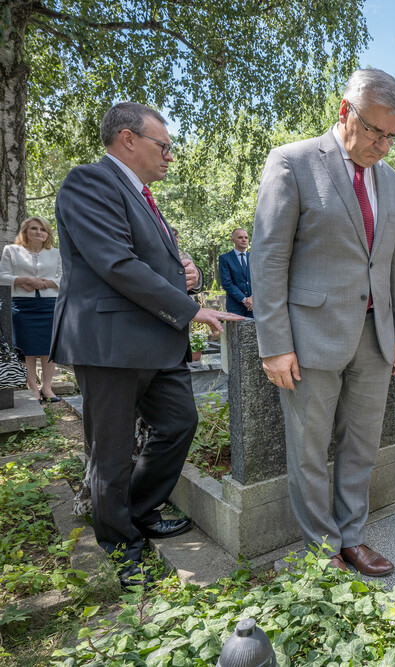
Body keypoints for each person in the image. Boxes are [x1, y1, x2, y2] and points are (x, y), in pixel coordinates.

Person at [51, 102, 240, 587]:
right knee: (110, 454)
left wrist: (187, 273)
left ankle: (137, 509)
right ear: (128, 139)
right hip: (111, 343)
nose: (171, 156)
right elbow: (116, 263)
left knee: (179, 423)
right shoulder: (90, 182)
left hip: (157, 341)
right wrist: (190, 306)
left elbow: (154, 261)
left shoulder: (145, 198)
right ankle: (119, 545)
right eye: (165, 145)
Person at [252, 68, 395, 577]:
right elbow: (269, 257)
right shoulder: (292, 162)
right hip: (310, 336)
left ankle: (353, 537)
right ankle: (323, 552)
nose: (382, 146)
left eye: (392, 136)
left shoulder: (393, 182)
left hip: (375, 336)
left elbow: (393, 266)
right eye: (373, 131)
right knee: (310, 451)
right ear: (346, 112)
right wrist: (274, 343)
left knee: (362, 446)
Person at [0, 217, 62, 403]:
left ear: (47, 234)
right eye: (33, 228)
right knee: (26, 348)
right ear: (25, 231)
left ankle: (47, 387)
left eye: (43, 229)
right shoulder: (11, 250)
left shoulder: (56, 253)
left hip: (50, 304)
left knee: (49, 348)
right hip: (22, 305)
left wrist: (47, 283)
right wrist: (24, 280)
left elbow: (66, 278)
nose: (38, 232)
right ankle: (33, 387)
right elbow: (2, 276)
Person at [218, 228, 253, 317]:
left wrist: (253, 298)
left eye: (246, 237)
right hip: (235, 307)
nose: (244, 240)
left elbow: (260, 280)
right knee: (235, 331)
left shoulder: (254, 257)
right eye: (240, 237)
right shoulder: (225, 258)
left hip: (254, 306)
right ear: (233, 240)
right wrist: (244, 300)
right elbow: (227, 283)